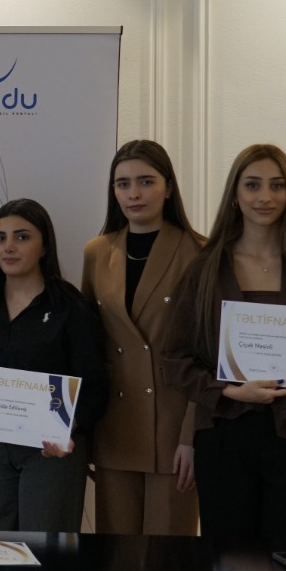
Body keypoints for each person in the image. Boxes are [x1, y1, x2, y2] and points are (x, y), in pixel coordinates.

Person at [162, 143, 286, 539]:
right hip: (223, 437)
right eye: (252, 185)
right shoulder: (204, 269)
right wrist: (231, 392)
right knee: (231, 568)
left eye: (277, 185)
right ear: (235, 194)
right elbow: (175, 358)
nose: (265, 197)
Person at [81, 140, 204, 535]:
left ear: (168, 187)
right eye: (123, 184)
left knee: (169, 568)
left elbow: (207, 353)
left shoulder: (200, 252)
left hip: (175, 427)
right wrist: (82, 432)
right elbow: (88, 348)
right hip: (115, 426)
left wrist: (192, 436)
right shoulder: (97, 252)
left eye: (146, 181)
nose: (133, 194)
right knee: (114, 566)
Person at [0, 198, 107, 532]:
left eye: (22, 237)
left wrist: (69, 429)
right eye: (0, 238)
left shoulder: (71, 309)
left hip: (51, 451)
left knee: (46, 559)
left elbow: (95, 387)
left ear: (44, 247)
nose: (8, 247)